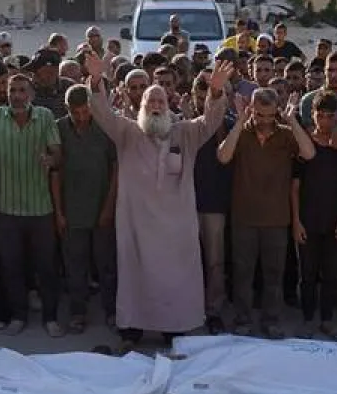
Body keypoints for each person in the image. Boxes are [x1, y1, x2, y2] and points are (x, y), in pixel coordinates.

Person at [83, 51, 234, 342]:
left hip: (175, 231)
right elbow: (101, 112)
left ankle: (172, 329)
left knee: (173, 282)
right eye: (149, 102)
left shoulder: (185, 133)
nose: (154, 106)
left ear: (169, 106)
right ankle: (133, 329)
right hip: (137, 227)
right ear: (140, 106)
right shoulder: (126, 132)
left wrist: (215, 90)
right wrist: (96, 78)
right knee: (136, 278)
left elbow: (211, 120)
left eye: (159, 102)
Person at [218, 86, 317, 338]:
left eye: (270, 115)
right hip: (244, 218)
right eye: (259, 115)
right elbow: (223, 156)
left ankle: (271, 319)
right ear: (252, 109)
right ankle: (242, 317)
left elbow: (309, 152)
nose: (264, 121)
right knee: (242, 272)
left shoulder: (285, 135)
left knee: (274, 274)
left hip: (276, 219)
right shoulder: (242, 132)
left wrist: (291, 120)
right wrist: (240, 121)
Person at [0, 73, 63, 336]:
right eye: (12, 90)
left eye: (21, 90)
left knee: (46, 267)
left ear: (31, 94)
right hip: (7, 209)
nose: (17, 95)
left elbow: (58, 154)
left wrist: (51, 160)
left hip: (41, 208)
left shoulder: (45, 117)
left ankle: (50, 317)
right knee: (11, 266)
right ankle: (18, 315)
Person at [54, 84, 118, 333]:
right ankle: (78, 312)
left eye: (84, 111)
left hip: (101, 208)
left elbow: (116, 170)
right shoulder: (59, 129)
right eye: (75, 112)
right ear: (67, 109)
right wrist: (58, 212)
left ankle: (112, 310)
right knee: (74, 266)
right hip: (72, 211)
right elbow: (55, 173)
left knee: (106, 265)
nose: (80, 117)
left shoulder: (105, 127)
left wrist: (109, 207)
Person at [292, 90, 337, 337]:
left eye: (331, 116)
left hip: (335, 222)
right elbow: (294, 187)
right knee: (307, 273)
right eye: (321, 115)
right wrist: (296, 220)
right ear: (313, 115)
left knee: (331, 273)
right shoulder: (304, 144)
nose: (325, 120)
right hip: (308, 220)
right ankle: (308, 318)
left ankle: (327, 318)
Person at [192, 76, 236, 333]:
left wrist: (217, 115)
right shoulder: (186, 123)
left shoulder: (230, 124)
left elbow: (224, 156)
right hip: (186, 202)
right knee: (187, 260)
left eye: (210, 97)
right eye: (201, 97)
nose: (204, 102)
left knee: (215, 261)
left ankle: (214, 309)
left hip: (215, 204)